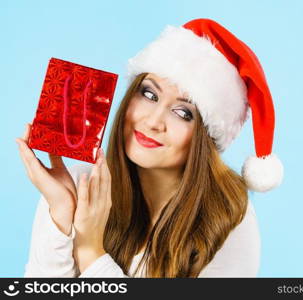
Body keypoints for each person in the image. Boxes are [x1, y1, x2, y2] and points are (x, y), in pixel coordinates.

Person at [16, 18, 284, 278]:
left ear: (205, 138)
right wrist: (61, 213)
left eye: (183, 113)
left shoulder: (228, 221)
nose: (153, 121)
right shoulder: (75, 185)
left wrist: (91, 252)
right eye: (149, 94)